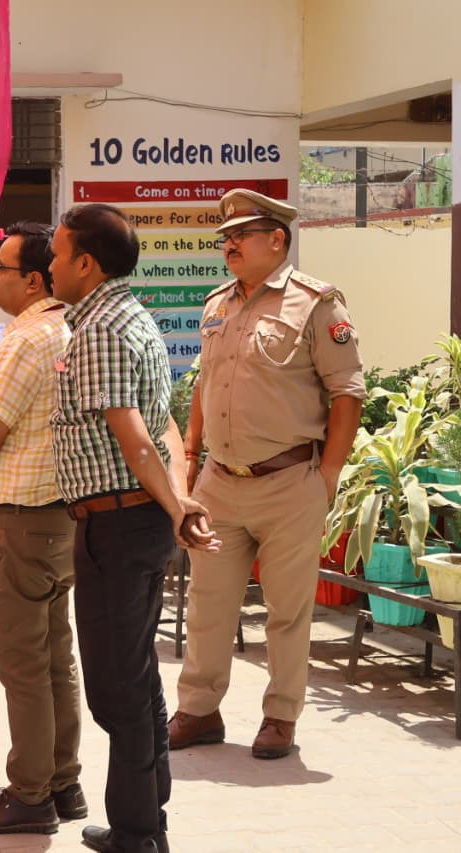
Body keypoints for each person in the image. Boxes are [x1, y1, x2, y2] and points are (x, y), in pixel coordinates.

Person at [169, 190, 365, 760]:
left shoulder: (317, 303)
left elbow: (348, 393)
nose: (229, 245)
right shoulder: (217, 304)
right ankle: (198, 711)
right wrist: (191, 455)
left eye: (241, 235)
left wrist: (328, 475)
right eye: (225, 238)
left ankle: (280, 717)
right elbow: (205, 384)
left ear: (276, 239)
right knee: (207, 605)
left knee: (287, 611)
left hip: (289, 481)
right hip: (219, 482)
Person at [47, 203, 218, 853]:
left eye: (58, 255)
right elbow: (166, 425)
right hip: (132, 520)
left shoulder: (100, 329)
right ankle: (145, 822)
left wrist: (177, 507)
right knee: (138, 679)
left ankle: (137, 835)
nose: (50, 266)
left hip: (116, 526)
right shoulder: (130, 315)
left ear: (86, 263)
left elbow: (139, 439)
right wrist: (177, 501)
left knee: (116, 693)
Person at [0, 223, 85, 835]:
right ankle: (64, 781)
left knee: (24, 669)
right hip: (60, 519)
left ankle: (30, 795)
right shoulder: (75, 329)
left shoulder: (24, 340)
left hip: (18, 523)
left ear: (32, 280)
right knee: (55, 659)